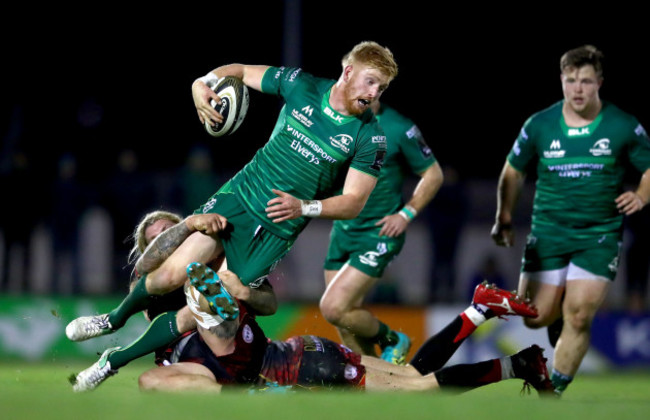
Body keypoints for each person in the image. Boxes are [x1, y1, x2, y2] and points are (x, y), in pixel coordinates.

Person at [66, 41, 398, 346]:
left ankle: (124, 360)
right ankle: (112, 320)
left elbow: (353, 203)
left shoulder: (371, 137)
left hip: (276, 226)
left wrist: (304, 207)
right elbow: (238, 71)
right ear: (349, 71)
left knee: (210, 303)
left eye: (381, 87)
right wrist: (201, 83)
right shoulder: (302, 85)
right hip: (240, 195)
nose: (374, 92)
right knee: (167, 275)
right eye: (370, 81)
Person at [74, 263, 551, 396]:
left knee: (419, 389)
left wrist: (110, 360)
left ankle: (507, 353)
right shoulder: (175, 322)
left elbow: (162, 357)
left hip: (301, 371)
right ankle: (484, 320)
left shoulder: (195, 313)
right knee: (412, 379)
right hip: (301, 354)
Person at [490, 45, 650, 396]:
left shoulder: (623, 125)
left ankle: (553, 391)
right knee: (534, 316)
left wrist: (641, 194)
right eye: (571, 80)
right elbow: (512, 173)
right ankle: (556, 315)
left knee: (579, 316)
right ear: (561, 80)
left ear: (600, 83)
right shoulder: (540, 124)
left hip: (599, 234)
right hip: (548, 233)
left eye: (586, 81)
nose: (578, 88)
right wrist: (503, 216)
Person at [320, 97, 443, 364]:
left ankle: (393, 339)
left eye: (376, 83)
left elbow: (433, 175)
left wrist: (406, 213)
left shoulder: (399, 127)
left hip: (378, 233)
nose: (368, 90)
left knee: (333, 307)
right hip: (342, 231)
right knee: (345, 318)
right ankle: (373, 381)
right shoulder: (335, 119)